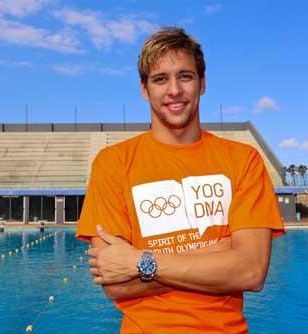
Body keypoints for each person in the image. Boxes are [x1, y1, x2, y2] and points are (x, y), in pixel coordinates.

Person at [77, 27, 285, 333]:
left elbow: (251, 272)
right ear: (144, 89)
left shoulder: (243, 160)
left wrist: (139, 261)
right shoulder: (113, 164)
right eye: (160, 79)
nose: (174, 90)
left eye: (185, 76)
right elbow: (115, 284)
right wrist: (221, 253)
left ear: (202, 84)